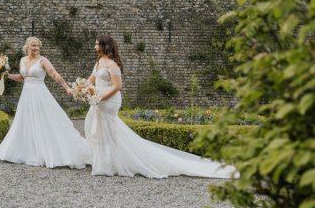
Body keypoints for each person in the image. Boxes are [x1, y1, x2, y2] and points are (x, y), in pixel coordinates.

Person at [84, 35, 235, 178]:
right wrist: (81, 89)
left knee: (108, 128)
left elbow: (117, 86)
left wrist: (101, 97)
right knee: (97, 130)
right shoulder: (98, 62)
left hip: (109, 100)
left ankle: (112, 163)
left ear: (104, 46)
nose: (94, 46)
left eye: (97, 43)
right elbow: (91, 79)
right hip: (98, 100)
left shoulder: (112, 64)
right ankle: (104, 161)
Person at [0, 37, 91, 168]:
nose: (36, 48)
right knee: (25, 122)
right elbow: (23, 78)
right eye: (34, 45)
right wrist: (7, 75)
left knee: (46, 121)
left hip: (40, 94)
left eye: (38, 46)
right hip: (26, 96)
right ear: (27, 46)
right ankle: (27, 152)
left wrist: (67, 88)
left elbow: (54, 74)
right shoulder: (22, 60)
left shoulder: (43, 60)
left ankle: (52, 151)